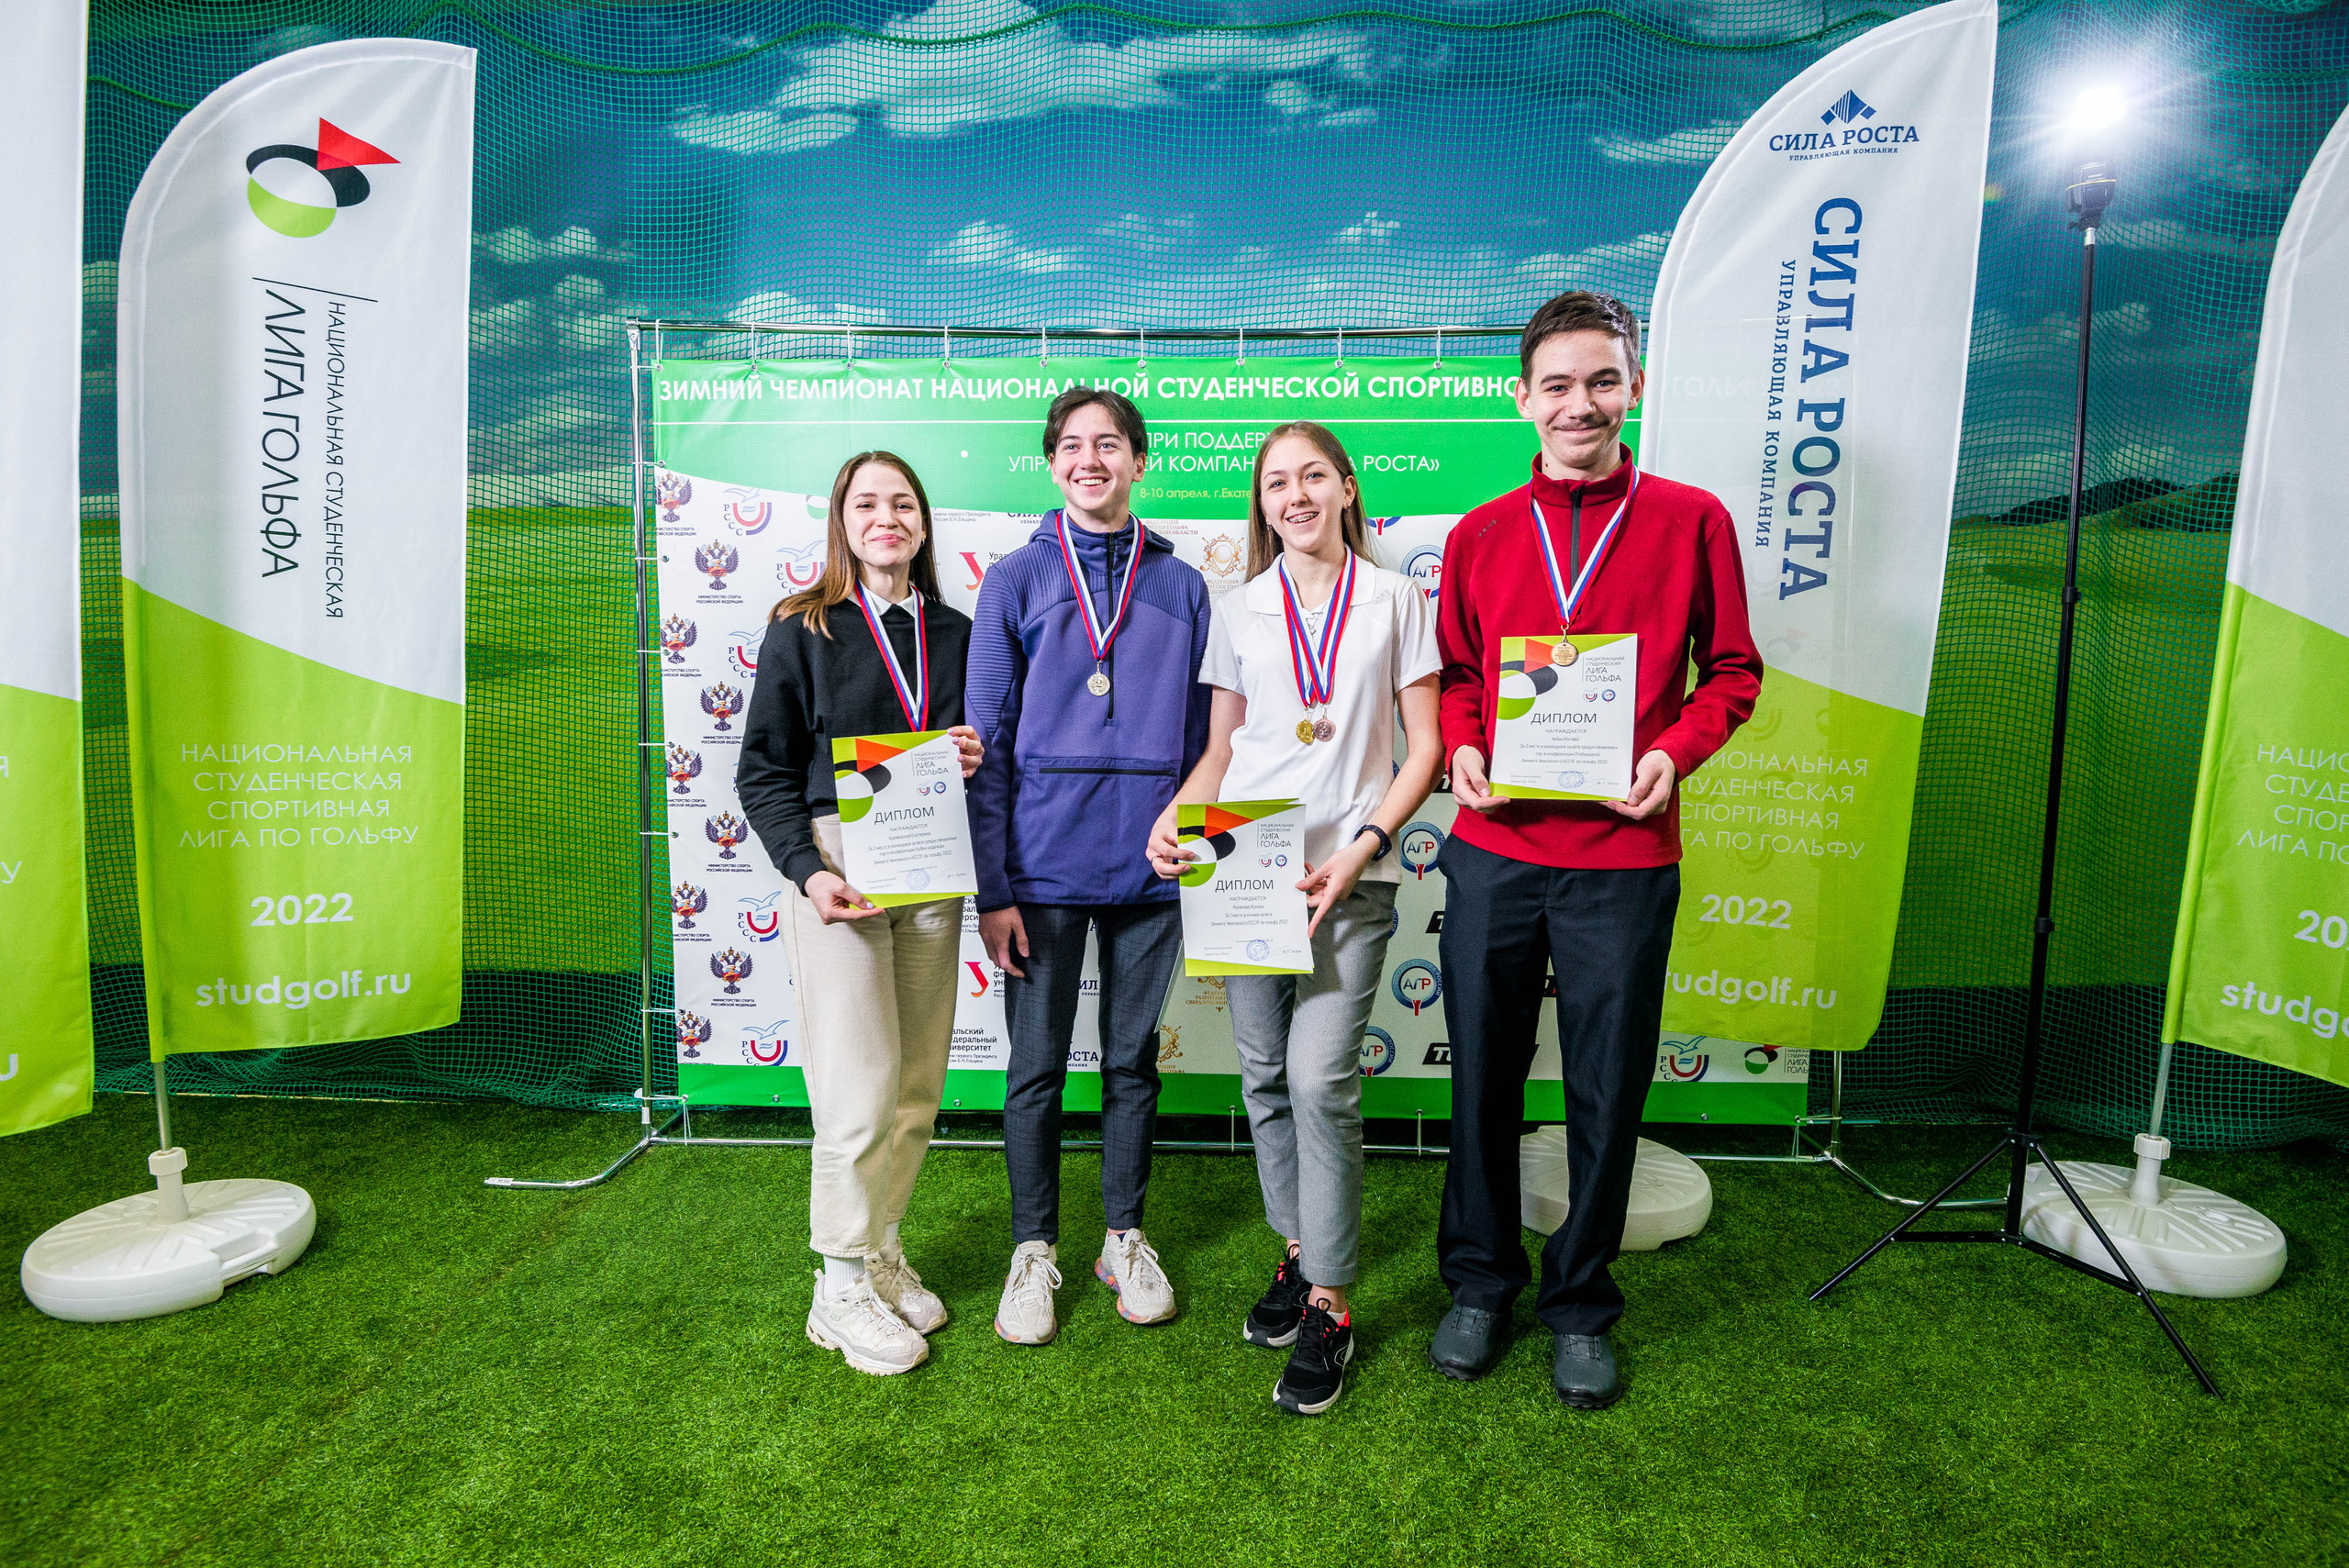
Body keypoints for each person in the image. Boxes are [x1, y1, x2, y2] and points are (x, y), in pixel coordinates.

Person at [1431, 292, 1762, 1408]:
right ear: (1520, 397)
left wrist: (1676, 750)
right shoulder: (1476, 535)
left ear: (1633, 387)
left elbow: (1731, 672)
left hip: (1624, 856)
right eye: (1558, 384)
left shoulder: (1691, 518)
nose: (1581, 403)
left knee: (1605, 1089)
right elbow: (1467, 679)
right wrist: (1463, 746)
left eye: (1602, 380)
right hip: (1493, 848)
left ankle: (1579, 1299)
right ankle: (1479, 1282)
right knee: (1480, 1076)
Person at [1148, 422, 1442, 1416]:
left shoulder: (1399, 599)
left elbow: (1423, 749)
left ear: (1349, 486)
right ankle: (1298, 1250)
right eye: (1277, 482)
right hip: (1244, 876)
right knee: (1265, 1075)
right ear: (1263, 502)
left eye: (1313, 474)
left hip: (1345, 879)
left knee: (1322, 1080)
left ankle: (1332, 1300)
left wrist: (1361, 845)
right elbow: (1222, 754)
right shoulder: (1238, 609)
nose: (1295, 494)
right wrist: (1174, 817)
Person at [965, 384, 1212, 1346]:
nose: (1090, 460)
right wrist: (994, 888)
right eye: (1071, 446)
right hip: (1041, 868)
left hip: (1151, 868)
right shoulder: (1014, 580)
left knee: (1129, 1062)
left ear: (1139, 460)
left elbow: (1205, 740)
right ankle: (1034, 1249)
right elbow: (984, 743)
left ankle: (1122, 1235)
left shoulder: (1183, 585)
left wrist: (1188, 832)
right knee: (1033, 1070)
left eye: (1109, 444)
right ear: (1051, 463)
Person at [736, 450, 985, 1377]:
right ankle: (836, 1284)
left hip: (930, 861)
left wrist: (969, 748)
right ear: (841, 520)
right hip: (839, 866)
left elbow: (974, 751)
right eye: (867, 503)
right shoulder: (801, 628)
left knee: (916, 1081)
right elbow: (760, 771)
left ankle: (880, 1245)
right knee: (857, 1083)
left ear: (923, 523)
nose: (887, 517)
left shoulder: (958, 633)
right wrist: (806, 870)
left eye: (903, 503)